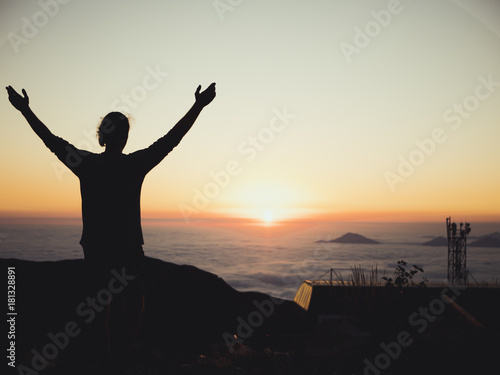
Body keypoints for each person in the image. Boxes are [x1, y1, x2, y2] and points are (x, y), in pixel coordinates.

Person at [6, 83, 216, 267]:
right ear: (125, 136)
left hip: (96, 249)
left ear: (101, 137)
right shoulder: (135, 165)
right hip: (128, 248)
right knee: (131, 305)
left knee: (100, 306)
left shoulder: (85, 164)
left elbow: (51, 141)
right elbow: (171, 140)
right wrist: (198, 106)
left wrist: (25, 110)